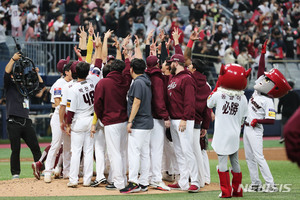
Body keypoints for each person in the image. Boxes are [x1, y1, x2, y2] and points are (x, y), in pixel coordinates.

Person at [243, 40, 292, 193]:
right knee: (249, 158)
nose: (263, 80)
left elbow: (271, 120)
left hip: (256, 129)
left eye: (267, 81)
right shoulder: (258, 91)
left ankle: (271, 184)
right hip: (246, 128)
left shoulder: (268, 100)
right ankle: (256, 183)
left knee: (259, 157)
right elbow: (261, 71)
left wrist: (258, 120)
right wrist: (262, 53)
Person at [207, 63, 250, 198]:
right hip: (235, 133)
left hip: (222, 133)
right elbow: (244, 118)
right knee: (235, 162)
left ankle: (226, 191)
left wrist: (216, 86)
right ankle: (237, 191)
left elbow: (208, 103)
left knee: (222, 163)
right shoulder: (243, 97)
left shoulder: (219, 94)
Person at [4, 52, 43, 179]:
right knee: (15, 150)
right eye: (17, 73)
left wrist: (36, 73)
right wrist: (12, 60)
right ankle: (15, 174)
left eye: (21, 73)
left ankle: (40, 170)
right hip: (13, 121)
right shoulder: (9, 85)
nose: (19, 75)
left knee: (36, 148)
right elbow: (6, 72)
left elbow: (40, 88)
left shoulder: (25, 86)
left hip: (26, 121)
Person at [166, 54, 200, 193]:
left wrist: (185, 119)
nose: (169, 66)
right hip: (174, 119)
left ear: (176, 63)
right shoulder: (173, 77)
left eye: (171, 63)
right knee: (179, 152)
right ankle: (183, 181)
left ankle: (196, 182)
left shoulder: (187, 78)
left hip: (183, 119)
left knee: (187, 151)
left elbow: (190, 101)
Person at [120, 58, 153, 194]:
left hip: (139, 123)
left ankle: (134, 182)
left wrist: (130, 121)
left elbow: (136, 103)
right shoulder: (145, 80)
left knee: (134, 154)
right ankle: (144, 182)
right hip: (147, 123)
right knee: (144, 154)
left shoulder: (138, 82)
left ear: (131, 69)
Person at [65, 61, 100, 188]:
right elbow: (98, 64)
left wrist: (68, 124)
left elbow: (70, 111)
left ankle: (73, 180)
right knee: (89, 151)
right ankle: (87, 180)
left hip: (79, 121)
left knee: (76, 151)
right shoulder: (92, 83)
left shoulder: (73, 89)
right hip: (91, 120)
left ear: (75, 73)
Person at [43, 58, 73, 183]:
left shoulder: (73, 83)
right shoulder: (59, 83)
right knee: (55, 145)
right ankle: (47, 172)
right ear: (66, 72)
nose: (74, 72)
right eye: (72, 70)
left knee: (67, 146)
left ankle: (66, 172)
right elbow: (56, 103)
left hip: (69, 118)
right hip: (58, 117)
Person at [145, 55, 171, 191]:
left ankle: (148, 177)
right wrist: (165, 116)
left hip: (144, 118)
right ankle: (156, 179)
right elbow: (159, 100)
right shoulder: (157, 78)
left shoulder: (144, 76)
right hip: (156, 118)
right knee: (156, 150)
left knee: (148, 150)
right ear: (157, 64)